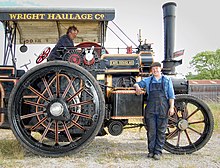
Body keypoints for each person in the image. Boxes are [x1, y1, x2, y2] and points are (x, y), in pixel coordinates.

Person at [133, 62, 175, 160]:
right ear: (151, 70)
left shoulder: (167, 80)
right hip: (150, 108)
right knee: (151, 131)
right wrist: (137, 87)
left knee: (161, 131)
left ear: (160, 69)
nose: (155, 70)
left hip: (163, 107)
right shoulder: (147, 80)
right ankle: (151, 151)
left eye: (157, 68)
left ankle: (158, 152)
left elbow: (171, 95)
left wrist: (171, 107)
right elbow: (136, 83)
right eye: (154, 69)